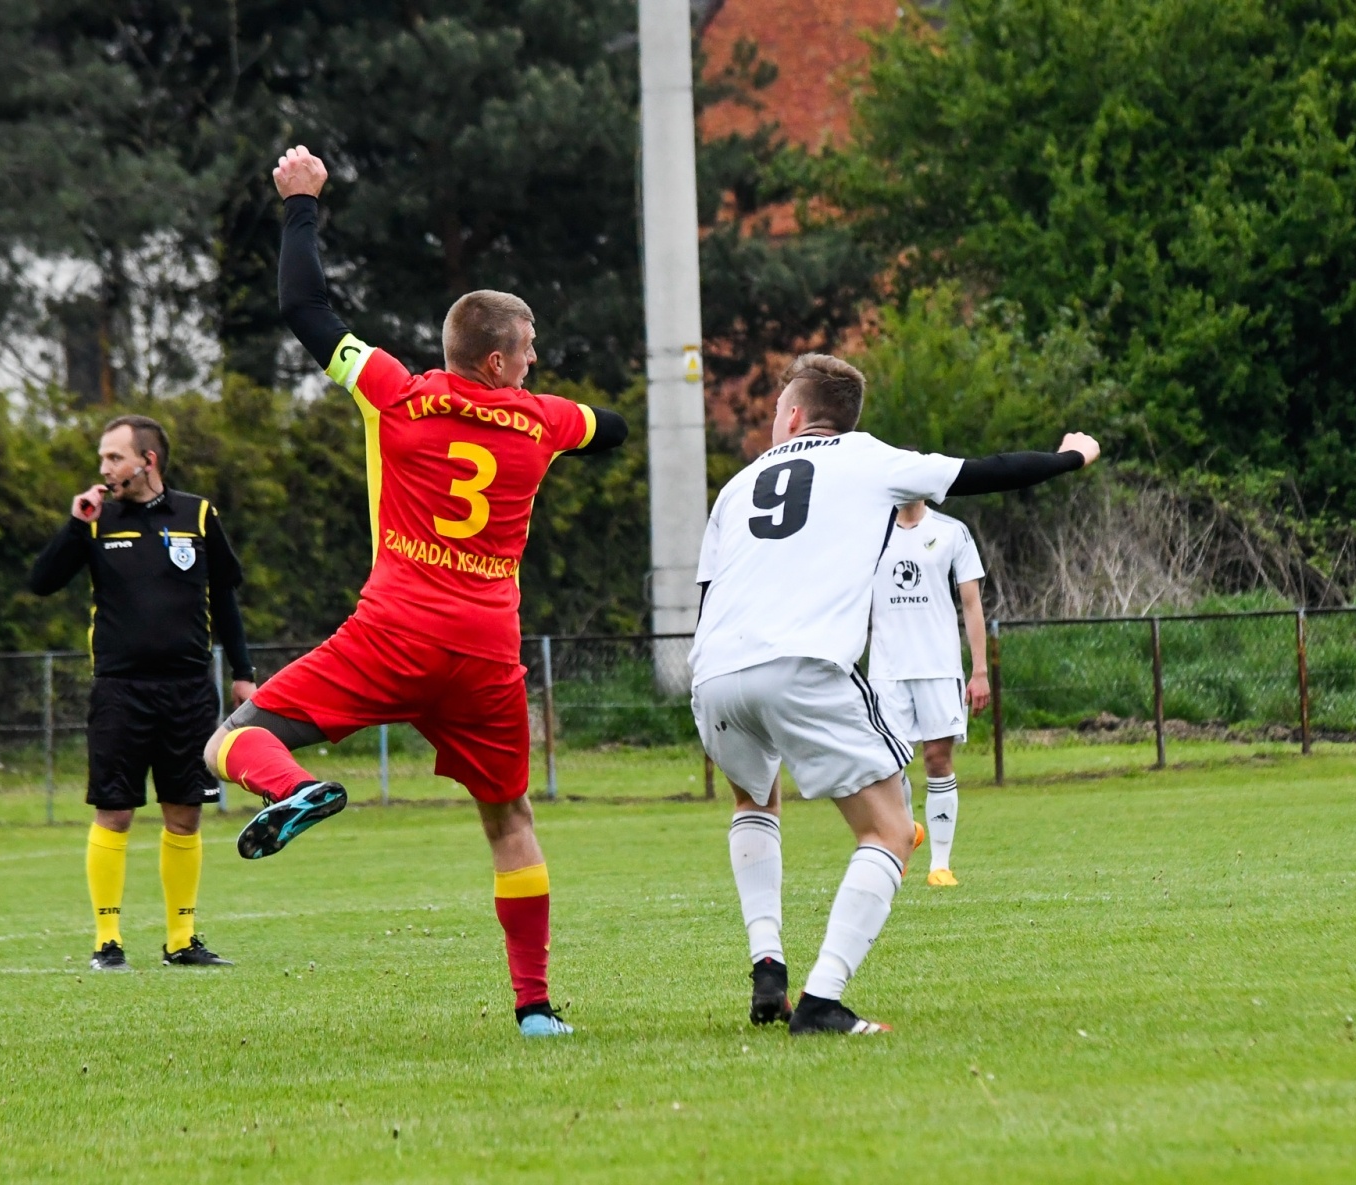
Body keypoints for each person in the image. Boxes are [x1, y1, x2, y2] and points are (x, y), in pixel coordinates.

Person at [200, 146, 627, 1039]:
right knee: (509, 819)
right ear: (507, 362)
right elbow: (610, 429)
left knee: (231, 740)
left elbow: (302, 306)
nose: (539, 360)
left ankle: (291, 789)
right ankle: (536, 1006)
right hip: (484, 654)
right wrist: (584, 423)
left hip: (392, 633)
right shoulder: (546, 420)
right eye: (533, 349)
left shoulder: (394, 393)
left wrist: (304, 204)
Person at [690, 354, 1098, 1035]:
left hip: (714, 673)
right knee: (887, 830)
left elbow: (706, 595)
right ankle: (820, 1002)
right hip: (801, 664)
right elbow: (983, 471)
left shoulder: (736, 487)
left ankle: (768, 964)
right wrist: (1068, 459)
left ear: (792, 416)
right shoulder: (869, 458)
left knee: (754, 799)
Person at [30, 415, 256, 971]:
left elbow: (224, 597)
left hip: (188, 691)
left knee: (185, 814)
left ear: (146, 461)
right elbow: (41, 581)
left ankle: (182, 940)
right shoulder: (96, 518)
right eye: (103, 459)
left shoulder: (197, 515)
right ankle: (107, 941)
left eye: (113, 458)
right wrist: (73, 523)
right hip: (119, 690)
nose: (104, 469)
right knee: (115, 811)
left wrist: (243, 672)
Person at [869, 500, 989, 886]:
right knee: (888, 765)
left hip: (938, 668)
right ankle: (904, 838)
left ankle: (940, 864)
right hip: (887, 671)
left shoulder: (953, 531)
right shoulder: (870, 532)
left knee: (937, 759)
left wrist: (980, 671)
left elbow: (971, 605)